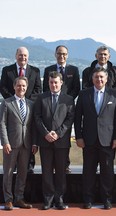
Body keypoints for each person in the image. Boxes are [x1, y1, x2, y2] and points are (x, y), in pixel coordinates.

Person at [74, 67, 116, 210]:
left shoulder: (115, 95)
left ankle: (107, 199)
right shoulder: (83, 94)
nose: (99, 79)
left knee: (107, 172)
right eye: (96, 77)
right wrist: (79, 137)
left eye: (102, 77)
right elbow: (78, 118)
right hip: (88, 140)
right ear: (92, 79)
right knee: (88, 171)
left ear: (106, 79)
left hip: (108, 140)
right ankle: (88, 199)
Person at [34, 71, 75, 210]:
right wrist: (46, 133)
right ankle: (48, 200)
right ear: (48, 83)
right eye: (51, 82)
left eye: (56, 82)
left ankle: (60, 199)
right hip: (45, 141)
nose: (53, 85)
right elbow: (37, 118)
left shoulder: (68, 99)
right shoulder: (41, 98)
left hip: (61, 142)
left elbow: (70, 119)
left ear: (61, 83)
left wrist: (58, 134)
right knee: (46, 172)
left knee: (61, 173)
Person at [0, 46, 42, 173]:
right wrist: (15, 100)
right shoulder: (7, 70)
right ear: (16, 56)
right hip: (12, 108)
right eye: (20, 55)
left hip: (29, 109)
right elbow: (3, 88)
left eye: (25, 55)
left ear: (28, 57)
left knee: (29, 136)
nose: (22, 57)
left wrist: (26, 101)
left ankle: (29, 165)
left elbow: (38, 90)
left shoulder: (35, 71)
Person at [0, 77, 37, 210]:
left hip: (26, 145)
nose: (21, 88)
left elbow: (32, 126)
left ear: (26, 88)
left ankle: (19, 198)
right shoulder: (6, 103)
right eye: (19, 86)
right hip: (11, 144)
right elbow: (2, 123)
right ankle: (8, 199)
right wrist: (5, 142)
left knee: (23, 173)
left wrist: (34, 143)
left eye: (23, 86)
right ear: (14, 87)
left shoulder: (31, 104)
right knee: (8, 173)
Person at [43, 45, 80, 173]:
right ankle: (52, 164)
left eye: (64, 54)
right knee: (52, 132)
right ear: (55, 54)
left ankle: (65, 163)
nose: (61, 56)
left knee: (65, 135)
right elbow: (45, 88)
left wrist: (66, 100)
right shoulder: (48, 70)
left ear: (67, 55)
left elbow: (76, 88)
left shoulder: (74, 70)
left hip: (67, 107)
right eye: (59, 53)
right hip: (51, 106)